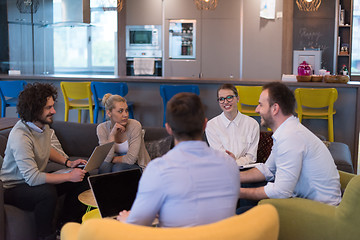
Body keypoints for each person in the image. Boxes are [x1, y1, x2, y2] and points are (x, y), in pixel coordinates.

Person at [117, 93, 240, 227]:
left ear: (168, 128)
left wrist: (125, 220)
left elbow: (136, 225)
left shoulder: (158, 169)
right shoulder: (229, 164)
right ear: (205, 124)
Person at [0, 83, 89, 240]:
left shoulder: (43, 126)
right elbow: (33, 178)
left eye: (52, 106)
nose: (54, 111)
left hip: (31, 180)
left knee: (83, 176)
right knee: (46, 193)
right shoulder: (21, 136)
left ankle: (66, 226)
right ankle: (45, 236)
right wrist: (69, 176)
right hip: (13, 187)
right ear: (35, 109)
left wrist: (68, 163)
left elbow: (46, 148)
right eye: (49, 108)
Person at [239, 82, 341, 209]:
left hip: (319, 211)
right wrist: (234, 177)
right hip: (303, 199)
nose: (256, 109)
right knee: (245, 189)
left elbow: (281, 191)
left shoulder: (290, 137)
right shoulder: (287, 130)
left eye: (260, 105)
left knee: (241, 212)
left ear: (275, 108)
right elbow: (268, 170)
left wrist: (238, 192)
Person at [206, 84, 260, 166]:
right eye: (221, 99)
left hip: (246, 170)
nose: (225, 102)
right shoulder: (211, 125)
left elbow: (251, 157)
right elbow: (220, 156)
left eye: (229, 97)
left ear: (238, 98)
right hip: (222, 169)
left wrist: (236, 163)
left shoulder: (252, 124)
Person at [96, 93, 150, 173]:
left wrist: (112, 159)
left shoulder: (135, 125)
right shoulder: (102, 128)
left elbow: (131, 159)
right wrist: (112, 135)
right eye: (120, 111)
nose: (125, 115)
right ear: (109, 113)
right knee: (105, 167)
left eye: (126, 110)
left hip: (138, 166)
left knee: (118, 168)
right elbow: (106, 159)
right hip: (116, 165)